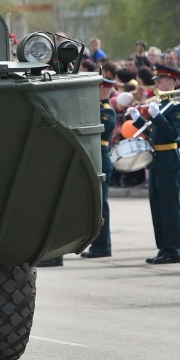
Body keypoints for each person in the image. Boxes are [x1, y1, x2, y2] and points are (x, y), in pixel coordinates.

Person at [131, 63, 180, 264]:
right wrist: (138, 121)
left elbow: (173, 134)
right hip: (156, 162)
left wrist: (158, 117)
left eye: (160, 80)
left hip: (169, 161)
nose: (157, 84)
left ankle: (173, 250)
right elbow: (152, 133)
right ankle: (163, 248)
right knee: (157, 208)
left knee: (169, 208)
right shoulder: (161, 104)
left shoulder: (176, 106)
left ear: (171, 82)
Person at [81, 75, 117, 259]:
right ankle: (97, 245)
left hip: (101, 158)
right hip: (95, 158)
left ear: (103, 90)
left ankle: (102, 246)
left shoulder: (106, 111)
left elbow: (98, 127)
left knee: (101, 206)